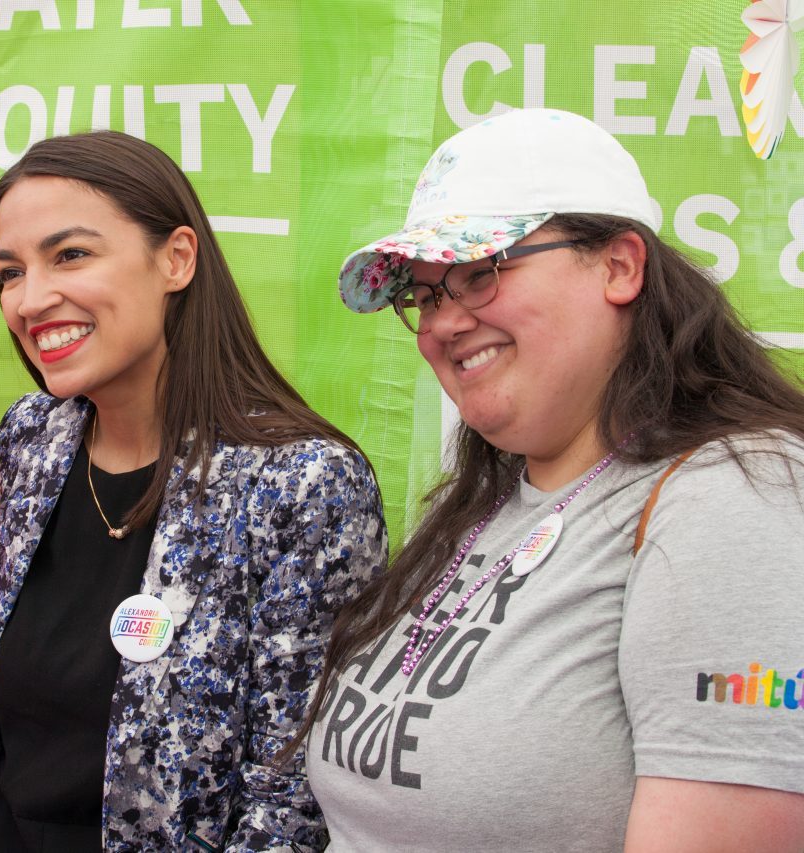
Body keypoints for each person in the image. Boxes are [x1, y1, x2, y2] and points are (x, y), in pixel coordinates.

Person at [302, 108, 804, 851]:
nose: (442, 323)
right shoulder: (490, 499)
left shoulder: (740, 495)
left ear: (621, 266)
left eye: (481, 274)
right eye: (427, 294)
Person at [0, 130, 387, 852]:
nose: (30, 299)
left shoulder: (303, 486)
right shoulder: (31, 440)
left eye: (71, 255)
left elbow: (292, 799)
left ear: (176, 258)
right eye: (9, 272)